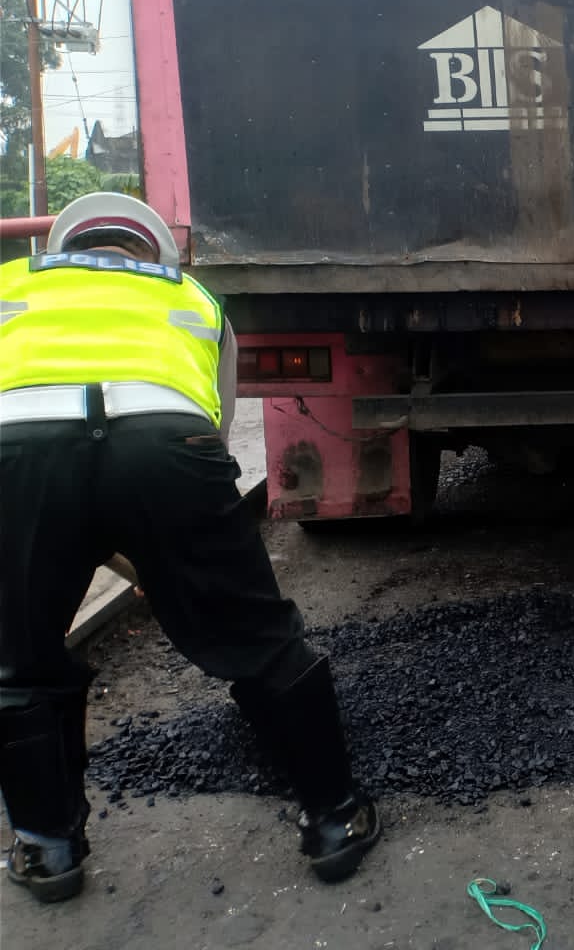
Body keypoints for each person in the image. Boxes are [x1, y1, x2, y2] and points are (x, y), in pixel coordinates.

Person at [0, 194, 381, 903]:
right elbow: (212, 424)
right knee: (261, 639)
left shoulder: (9, 285)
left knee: (19, 660)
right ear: (149, 256)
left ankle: (48, 849)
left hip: (17, 452)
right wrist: (161, 555)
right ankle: (334, 818)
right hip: (164, 447)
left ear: (60, 248)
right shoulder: (194, 300)